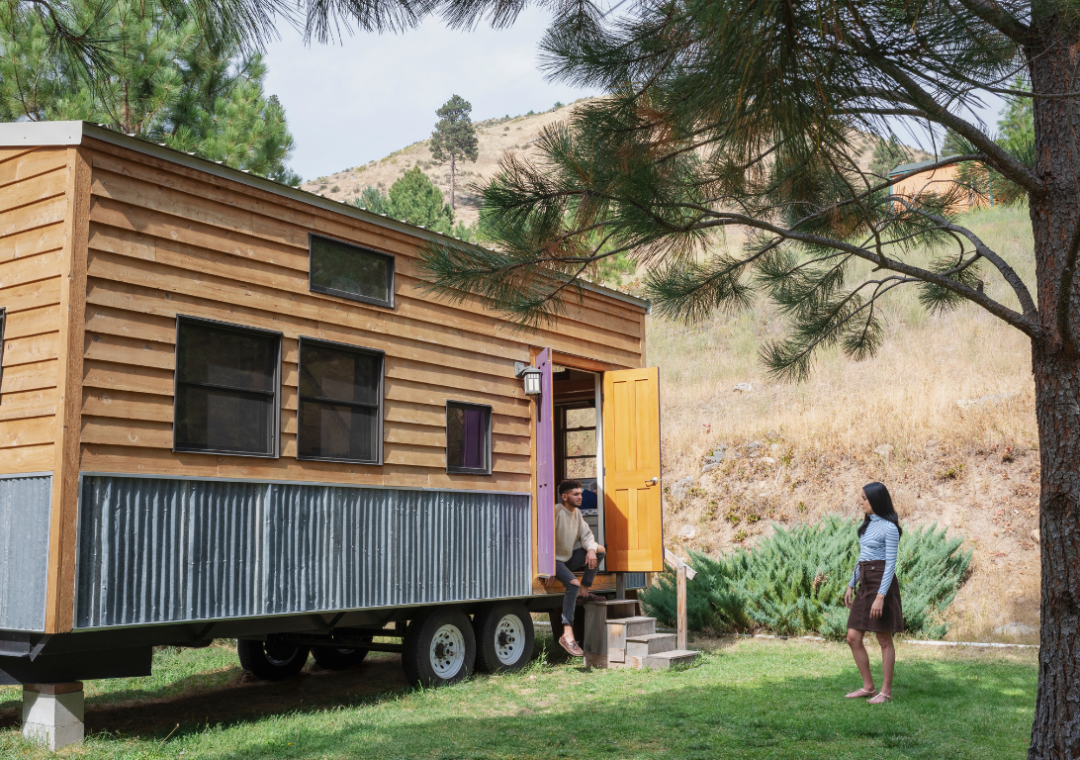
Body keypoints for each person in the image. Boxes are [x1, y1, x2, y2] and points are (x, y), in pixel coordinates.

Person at [843, 482, 904, 704]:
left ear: (876, 500)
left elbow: (890, 564)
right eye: (861, 498)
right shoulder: (867, 526)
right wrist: (851, 584)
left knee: (883, 638)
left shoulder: (889, 528)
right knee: (853, 637)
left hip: (881, 582)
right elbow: (863, 557)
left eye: (864, 498)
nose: (860, 502)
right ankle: (868, 687)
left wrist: (881, 596)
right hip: (864, 580)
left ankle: (885, 692)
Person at [545, 479, 606, 656]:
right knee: (572, 583)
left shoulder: (577, 514)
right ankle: (567, 635)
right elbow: (544, 541)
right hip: (553, 560)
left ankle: (584, 590)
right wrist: (547, 567)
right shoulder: (556, 512)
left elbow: (586, 536)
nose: (580, 497)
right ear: (565, 497)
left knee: (600, 550)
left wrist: (591, 550)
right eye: (576, 494)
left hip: (566, 559)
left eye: (580, 493)